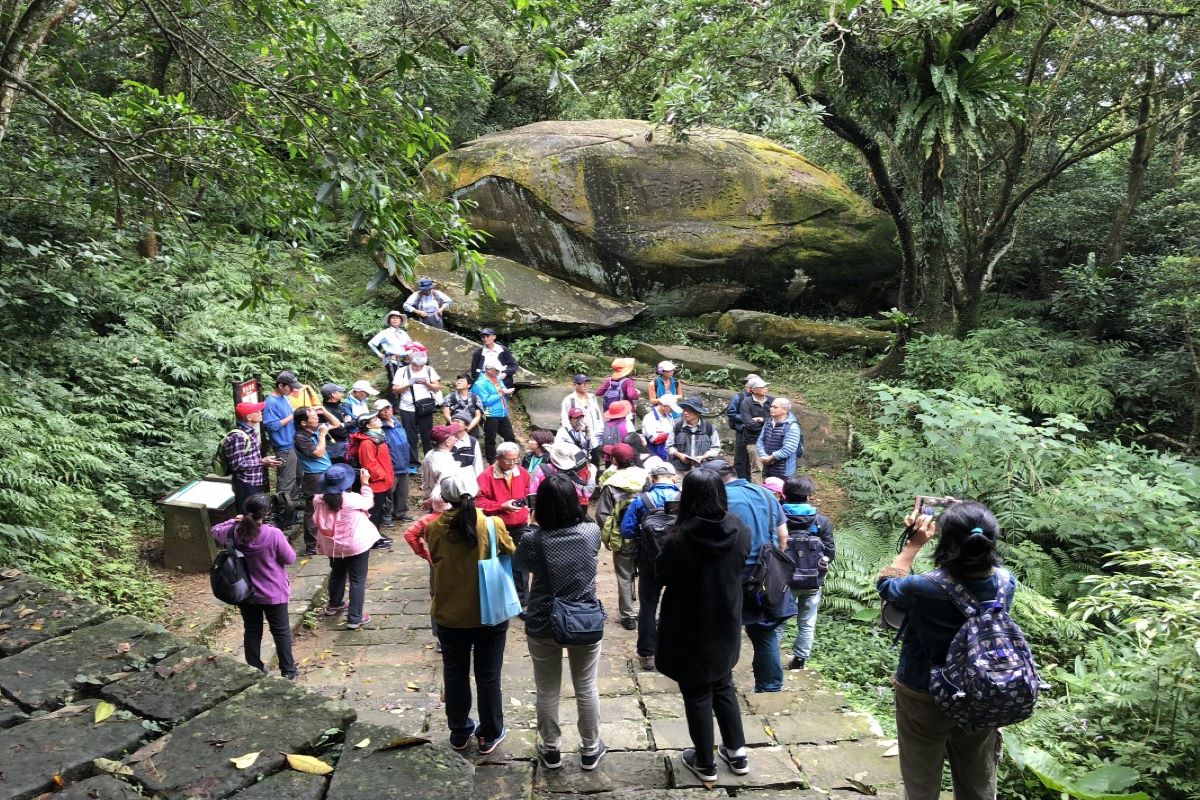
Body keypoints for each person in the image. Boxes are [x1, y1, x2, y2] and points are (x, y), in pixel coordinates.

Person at [877, 501, 1015, 800]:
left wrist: (912, 545)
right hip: (982, 690)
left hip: (922, 690)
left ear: (945, 540)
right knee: (978, 777)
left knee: (921, 778)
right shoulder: (1006, 583)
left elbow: (887, 584)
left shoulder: (923, 587)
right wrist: (962, 512)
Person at [655, 468, 752, 784]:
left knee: (696, 691)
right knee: (723, 684)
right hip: (725, 618)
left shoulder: (679, 539)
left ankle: (705, 761)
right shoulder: (740, 529)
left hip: (688, 625)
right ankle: (737, 753)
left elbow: (662, 576)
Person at [513, 474, 607, 771]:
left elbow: (520, 567)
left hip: (543, 620)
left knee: (547, 688)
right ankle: (590, 749)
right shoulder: (590, 532)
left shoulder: (531, 539)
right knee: (586, 686)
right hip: (583, 619)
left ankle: (551, 749)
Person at [426, 472, 516, 754]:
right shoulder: (491, 524)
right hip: (489, 611)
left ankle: (459, 730)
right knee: (489, 675)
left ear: (444, 498)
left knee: (454, 674)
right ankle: (490, 732)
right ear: (475, 492)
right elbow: (510, 549)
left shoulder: (434, 527)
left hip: (449, 613)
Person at [716, 459, 796, 693]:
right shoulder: (766, 494)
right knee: (766, 634)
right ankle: (770, 687)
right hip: (766, 578)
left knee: (723, 633)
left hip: (732, 578)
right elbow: (783, 536)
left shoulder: (720, 499)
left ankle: (722, 685)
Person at [210, 494, 298, 679]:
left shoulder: (233, 531)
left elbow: (214, 530)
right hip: (273, 591)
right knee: (281, 631)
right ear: (266, 513)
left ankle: (255, 667)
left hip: (245, 592)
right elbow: (290, 558)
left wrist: (232, 521)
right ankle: (289, 671)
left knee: (252, 628)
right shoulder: (273, 533)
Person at [621, 460, 680, 671]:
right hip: (679, 562)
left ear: (652, 479)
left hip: (649, 562)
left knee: (648, 606)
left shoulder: (642, 500)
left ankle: (647, 655)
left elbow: (627, 530)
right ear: (674, 478)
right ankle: (674, 650)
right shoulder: (683, 498)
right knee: (678, 606)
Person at [314, 463, 382, 630]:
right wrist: (365, 483)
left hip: (333, 545)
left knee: (337, 573)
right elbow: (368, 502)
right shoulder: (352, 500)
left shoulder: (318, 500)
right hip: (356, 544)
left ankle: (334, 604)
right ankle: (355, 617)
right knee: (357, 580)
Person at [592, 443, 647, 631]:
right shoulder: (645, 477)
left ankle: (628, 616)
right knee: (647, 574)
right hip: (647, 535)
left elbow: (603, 515)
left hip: (622, 536)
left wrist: (607, 538)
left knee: (624, 575)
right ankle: (647, 611)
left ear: (614, 460)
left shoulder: (610, 483)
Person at [780, 476, 834, 670]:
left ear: (784, 494)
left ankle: (771, 658)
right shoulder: (821, 521)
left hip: (783, 579)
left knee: (778, 620)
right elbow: (830, 552)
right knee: (807, 621)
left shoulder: (779, 516)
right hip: (812, 580)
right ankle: (800, 660)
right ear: (809, 497)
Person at [476, 441, 532, 607]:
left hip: (520, 524)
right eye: (508, 460)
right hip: (497, 525)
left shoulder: (521, 472)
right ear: (498, 458)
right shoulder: (485, 476)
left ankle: (522, 601)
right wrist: (501, 506)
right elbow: (478, 501)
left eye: (516, 459)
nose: (513, 463)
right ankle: (500, 599)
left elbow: (527, 491)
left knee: (521, 562)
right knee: (498, 561)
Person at [294, 405, 342, 556]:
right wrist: (322, 436)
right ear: (303, 423)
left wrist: (324, 411)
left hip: (326, 472)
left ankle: (328, 537)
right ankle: (311, 545)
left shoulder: (315, 429)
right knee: (313, 509)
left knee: (331, 503)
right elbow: (319, 453)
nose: (317, 419)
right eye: (313, 417)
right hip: (313, 476)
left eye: (316, 416)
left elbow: (337, 424)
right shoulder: (300, 437)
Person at [222, 401, 281, 513]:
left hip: (255, 481)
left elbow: (250, 457)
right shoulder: (238, 437)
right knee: (248, 515)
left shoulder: (250, 432)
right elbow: (238, 465)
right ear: (249, 417)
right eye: (257, 411)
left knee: (258, 513)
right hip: (246, 483)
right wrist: (262, 462)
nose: (261, 413)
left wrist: (265, 461)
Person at [392, 344, 442, 466]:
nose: (418, 368)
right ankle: (413, 463)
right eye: (415, 366)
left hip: (425, 407)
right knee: (410, 436)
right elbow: (395, 390)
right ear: (411, 362)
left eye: (421, 366)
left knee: (427, 435)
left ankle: (430, 461)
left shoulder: (429, 370)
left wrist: (427, 383)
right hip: (407, 408)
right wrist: (409, 384)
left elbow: (436, 388)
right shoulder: (402, 371)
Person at [350, 411, 395, 544]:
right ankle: (372, 540)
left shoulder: (377, 437)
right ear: (368, 426)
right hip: (376, 483)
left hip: (384, 481)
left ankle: (377, 534)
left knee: (379, 510)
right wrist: (382, 475)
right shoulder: (367, 443)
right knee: (373, 512)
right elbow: (369, 464)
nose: (378, 420)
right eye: (375, 419)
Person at [402, 511, 444, 649]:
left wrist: (424, 554)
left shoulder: (427, 520)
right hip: (463, 564)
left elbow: (409, 534)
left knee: (437, 598)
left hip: (436, 563)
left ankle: (440, 639)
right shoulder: (467, 516)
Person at [263, 370, 302, 505]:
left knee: (297, 476)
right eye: (289, 387)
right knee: (286, 479)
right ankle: (281, 511)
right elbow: (272, 426)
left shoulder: (285, 397)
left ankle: (294, 504)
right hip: (283, 446)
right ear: (280, 385)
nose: (292, 390)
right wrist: (292, 416)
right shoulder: (270, 402)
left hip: (294, 442)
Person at [376, 400, 413, 527]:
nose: (386, 411)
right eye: (383, 409)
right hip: (390, 464)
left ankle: (400, 512)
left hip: (403, 462)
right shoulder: (379, 426)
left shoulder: (397, 423)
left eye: (388, 408)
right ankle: (386, 515)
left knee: (403, 491)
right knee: (388, 492)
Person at [472, 363, 516, 463]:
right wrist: (500, 394)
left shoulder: (498, 379)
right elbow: (485, 401)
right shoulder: (480, 383)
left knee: (510, 437)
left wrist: (507, 391)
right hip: (490, 415)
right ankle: (492, 460)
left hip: (503, 413)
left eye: (499, 370)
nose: (498, 372)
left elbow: (503, 389)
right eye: (496, 370)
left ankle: (511, 457)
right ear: (488, 369)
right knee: (490, 439)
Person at [530, 442, 595, 509]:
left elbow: (532, 492)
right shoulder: (569, 477)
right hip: (563, 511)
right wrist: (592, 474)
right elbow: (586, 493)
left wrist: (533, 510)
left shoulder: (539, 469)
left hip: (544, 509)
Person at [668, 397, 721, 475]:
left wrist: (703, 457)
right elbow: (669, 446)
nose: (685, 413)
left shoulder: (709, 428)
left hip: (703, 471)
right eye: (684, 410)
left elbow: (715, 448)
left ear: (698, 412)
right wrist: (679, 455)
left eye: (689, 411)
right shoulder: (677, 427)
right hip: (680, 470)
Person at [561, 374, 604, 463]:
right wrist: (572, 436)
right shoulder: (569, 400)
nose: (585, 385)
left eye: (587, 383)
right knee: (581, 462)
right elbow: (565, 420)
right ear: (575, 385)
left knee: (596, 460)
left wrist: (601, 429)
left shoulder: (592, 397)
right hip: (580, 437)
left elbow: (598, 415)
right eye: (581, 383)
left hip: (595, 435)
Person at [757, 397, 803, 481]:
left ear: (785, 410)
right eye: (771, 406)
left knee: (782, 493)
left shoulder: (792, 426)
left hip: (784, 471)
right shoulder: (768, 423)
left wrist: (771, 458)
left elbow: (789, 448)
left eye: (775, 407)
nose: (771, 408)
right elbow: (760, 441)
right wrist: (763, 456)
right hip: (767, 467)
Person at [422, 423, 464, 513]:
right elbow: (440, 489)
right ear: (448, 442)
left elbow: (425, 480)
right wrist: (430, 501)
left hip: (432, 500)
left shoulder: (429, 454)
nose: (455, 437)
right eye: (453, 435)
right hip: (444, 506)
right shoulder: (446, 462)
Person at [738, 377, 773, 484]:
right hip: (753, 440)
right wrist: (768, 425)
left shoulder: (772, 401)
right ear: (754, 389)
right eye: (762, 387)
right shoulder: (746, 403)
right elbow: (749, 425)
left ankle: (773, 491)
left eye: (765, 386)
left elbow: (777, 420)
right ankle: (759, 493)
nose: (765, 388)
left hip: (771, 439)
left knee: (772, 468)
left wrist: (761, 419)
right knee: (757, 468)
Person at [725, 375, 759, 481]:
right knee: (741, 457)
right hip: (742, 431)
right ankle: (739, 480)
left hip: (756, 432)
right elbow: (731, 412)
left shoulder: (759, 398)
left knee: (753, 458)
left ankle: (750, 481)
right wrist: (747, 419)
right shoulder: (739, 397)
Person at [367, 310, 413, 383]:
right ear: (389, 321)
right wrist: (380, 354)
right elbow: (371, 343)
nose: (395, 319)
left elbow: (410, 345)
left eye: (397, 318)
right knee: (394, 382)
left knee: (404, 382)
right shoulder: (385, 332)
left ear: (401, 321)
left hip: (405, 360)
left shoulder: (403, 333)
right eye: (392, 318)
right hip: (392, 360)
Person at [321, 383, 355, 463]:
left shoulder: (340, 407)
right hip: (335, 449)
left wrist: (346, 424)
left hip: (344, 445)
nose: (342, 394)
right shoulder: (325, 411)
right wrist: (349, 424)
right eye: (340, 392)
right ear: (333, 394)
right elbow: (340, 432)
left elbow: (354, 421)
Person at [641, 393, 680, 462]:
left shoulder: (669, 415)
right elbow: (654, 439)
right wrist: (666, 433)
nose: (672, 410)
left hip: (669, 451)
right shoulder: (650, 418)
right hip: (654, 455)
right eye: (671, 408)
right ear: (663, 406)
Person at [451, 411, 485, 476]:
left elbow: (478, 465)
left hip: (467, 480)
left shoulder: (472, 442)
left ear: (467, 426)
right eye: (453, 421)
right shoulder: (446, 440)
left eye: (458, 421)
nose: (454, 423)